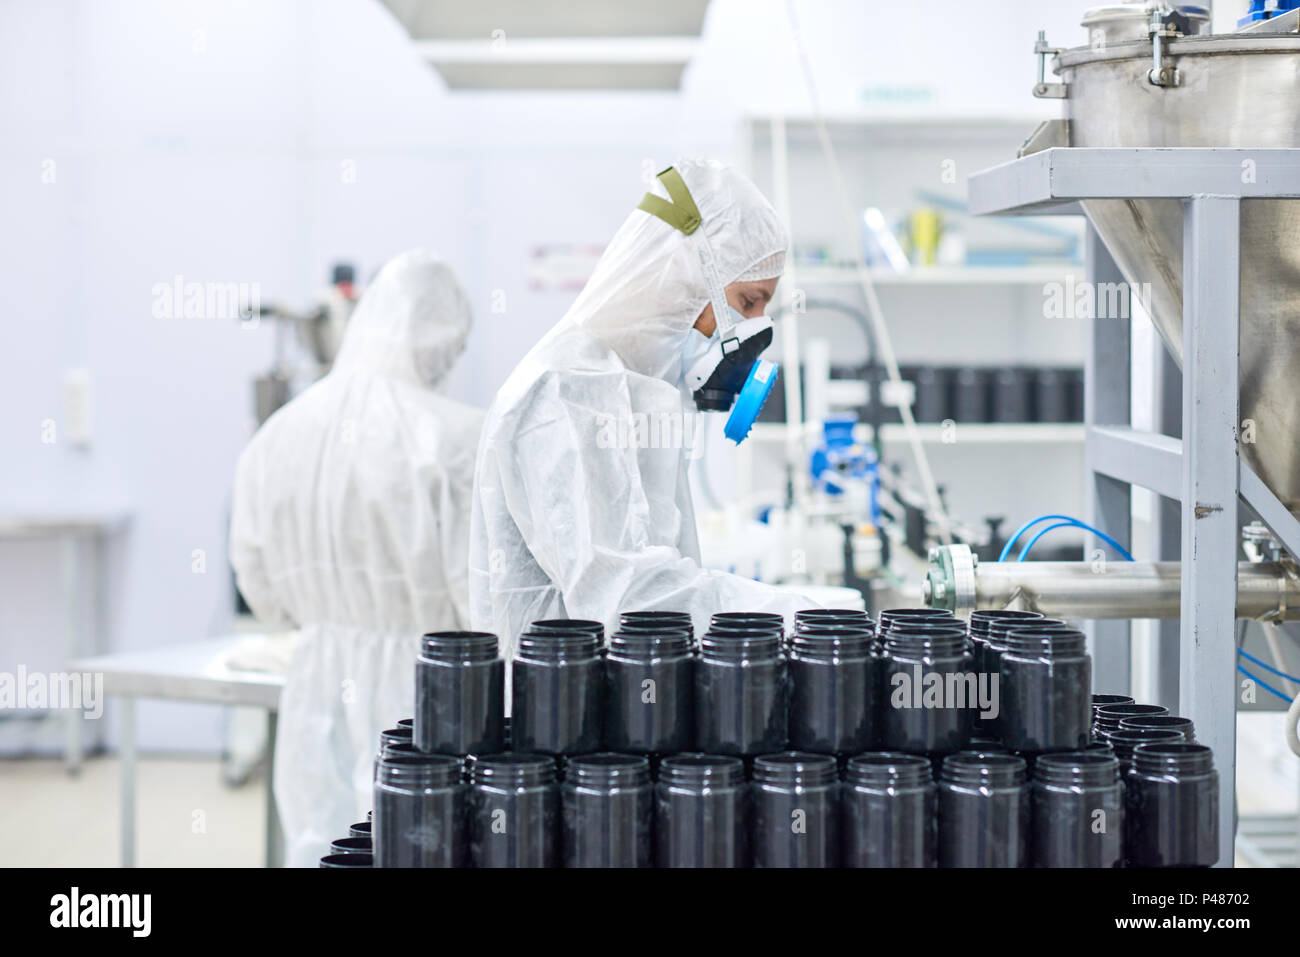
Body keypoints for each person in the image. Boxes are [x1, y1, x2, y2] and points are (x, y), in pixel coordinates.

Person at [469, 158, 819, 655]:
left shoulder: (642, 390)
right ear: (685, 273)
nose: (752, 331)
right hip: (558, 710)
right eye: (747, 303)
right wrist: (801, 616)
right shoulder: (565, 390)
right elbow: (627, 601)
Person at [229, 249, 481, 867]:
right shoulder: (456, 438)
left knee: (323, 846)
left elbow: (259, 586)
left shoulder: (278, 435)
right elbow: (482, 599)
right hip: (429, 692)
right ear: (445, 339)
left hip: (316, 680)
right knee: (419, 848)